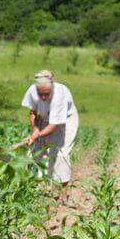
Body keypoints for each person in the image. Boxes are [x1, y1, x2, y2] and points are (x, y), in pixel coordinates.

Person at [21, 70, 78, 201]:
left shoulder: (60, 96)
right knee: (35, 152)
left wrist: (37, 135)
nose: (44, 98)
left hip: (64, 121)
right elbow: (32, 112)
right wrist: (35, 129)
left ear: (52, 87)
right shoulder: (32, 91)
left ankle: (62, 193)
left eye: (47, 94)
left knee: (59, 153)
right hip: (43, 118)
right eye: (41, 94)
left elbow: (54, 124)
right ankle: (37, 188)